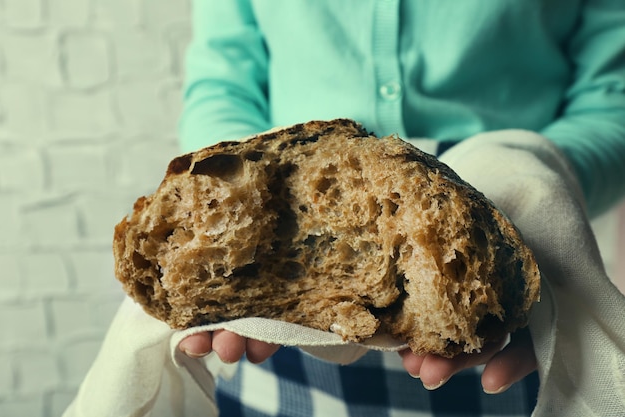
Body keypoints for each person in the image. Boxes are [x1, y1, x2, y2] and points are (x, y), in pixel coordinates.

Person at [176, 1, 625, 416]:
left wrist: (528, 186)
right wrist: (222, 203)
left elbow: (612, 103)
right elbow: (224, 84)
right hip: (276, 340)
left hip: (511, 310)